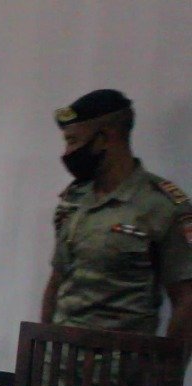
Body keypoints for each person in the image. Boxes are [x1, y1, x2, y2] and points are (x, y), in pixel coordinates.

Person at [41, 89, 192, 346]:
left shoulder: (162, 206)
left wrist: (166, 368)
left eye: (74, 141)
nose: (68, 152)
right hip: (61, 361)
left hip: (122, 365)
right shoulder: (74, 199)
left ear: (105, 138)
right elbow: (57, 280)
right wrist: (41, 350)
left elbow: (186, 300)